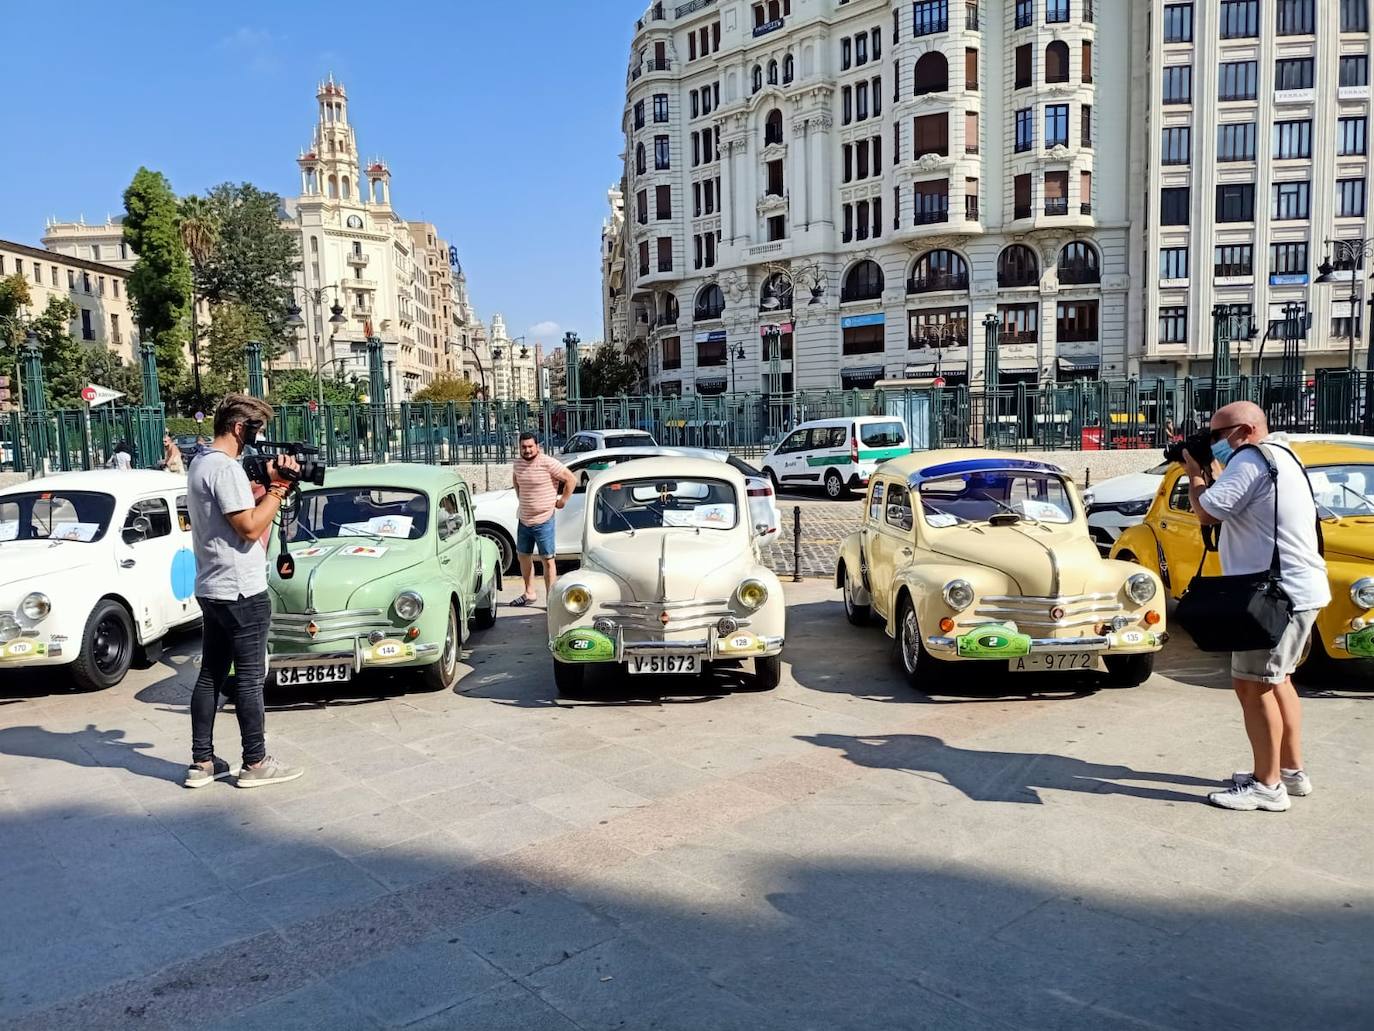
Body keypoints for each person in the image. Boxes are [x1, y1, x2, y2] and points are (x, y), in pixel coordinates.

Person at [1185, 400, 1329, 813]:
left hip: (1272, 597)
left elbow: (1209, 511)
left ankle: (1267, 787)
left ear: (1246, 430)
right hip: (1298, 590)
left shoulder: (1250, 459)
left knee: (1254, 685)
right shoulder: (1284, 456)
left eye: (1218, 435)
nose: (1214, 443)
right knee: (1278, 679)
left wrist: (1195, 475)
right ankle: (1289, 771)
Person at [184, 394, 304, 789]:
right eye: (258, 429)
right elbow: (251, 528)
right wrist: (279, 488)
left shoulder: (201, 461)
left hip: (212, 585)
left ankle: (202, 762)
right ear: (240, 428)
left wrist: (264, 486)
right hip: (241, 590)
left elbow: (234, 516)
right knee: (251, 678)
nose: (260, 437)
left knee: (210, 675)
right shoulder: (225, 470)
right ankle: (255, 762)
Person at [510, 431, 575, 607]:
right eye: (523, 447)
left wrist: (562, 501)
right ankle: (529, 593)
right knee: (523, 555)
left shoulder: (548, 463)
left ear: (537, 446)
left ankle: (551, 601)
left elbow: (571, 479)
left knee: (547, 559)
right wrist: (522, 499)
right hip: (524, 520)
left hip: (544, 520)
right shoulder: (517, 464)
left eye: (530, 446)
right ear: (519, 448)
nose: (527, 450)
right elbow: (516, 481)